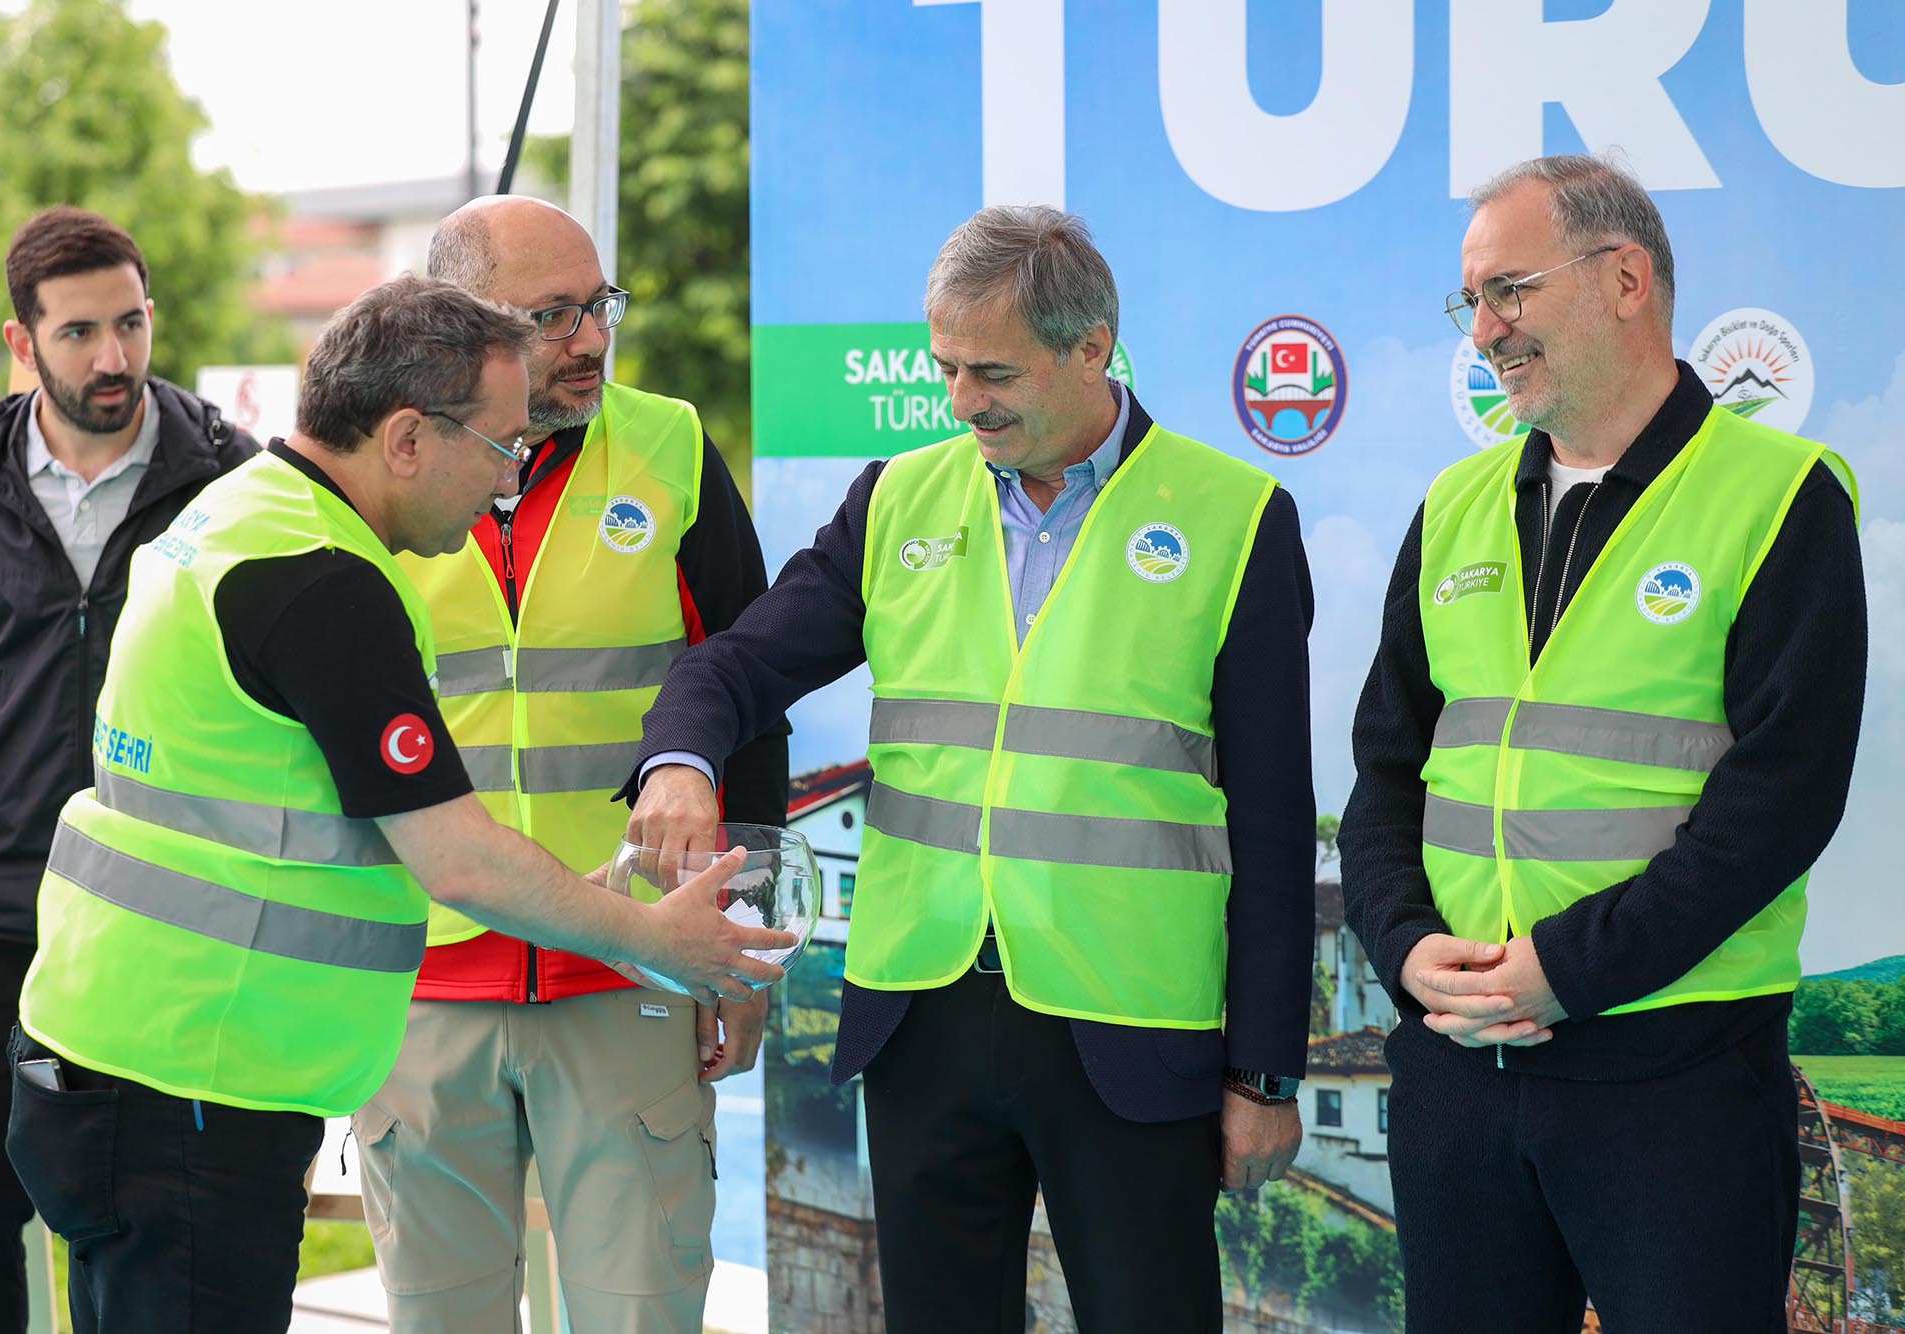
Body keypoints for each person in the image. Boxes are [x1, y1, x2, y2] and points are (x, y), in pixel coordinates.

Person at [3, 273, 795, 1334]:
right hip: (195, 1076)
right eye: (503, 445)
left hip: (125, 1048)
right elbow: (456, 860)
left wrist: (595, 893)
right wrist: (655, 936)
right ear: (411, 437)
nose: (509, 479)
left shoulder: (242, 514)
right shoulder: (323, 580)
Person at [625, 205, 1316, 1332]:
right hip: (923, 1016)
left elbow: (1278, 822)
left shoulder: (1234, 516)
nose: (960, 400)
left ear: (1091, 348)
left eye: (990, 370)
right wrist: (679, 757)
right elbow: (740, 661)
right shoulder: (897, 497)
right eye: (943, 367)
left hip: (1130, 1028)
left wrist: (1264, 1074)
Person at [1340, 155, 1866, 1332]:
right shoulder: (1452, 509)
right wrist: (1407, 947)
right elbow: (1383, 778)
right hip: (1458, 1065)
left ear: (1625, 278)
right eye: (1468, 299)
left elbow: (1779, 799)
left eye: (1508, 291)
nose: (1482, 329)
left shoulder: (1778, 496)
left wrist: (1565, 969)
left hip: (1671, 1074)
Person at [352, 196, 787, 1332]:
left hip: (631, 972)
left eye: (599, 305)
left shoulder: (672, 446)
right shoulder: (377, 479)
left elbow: (750, 697)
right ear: (462, 327)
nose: (591, 338)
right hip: (416, 990)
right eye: (552, 315)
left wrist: (741, 941)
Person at [0, 205, 257, 1333]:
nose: (114, 358)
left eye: (132, 323)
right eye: (78, 333)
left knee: (147, 1209)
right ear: (22, 343)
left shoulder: (231, 481)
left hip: (166, 905)